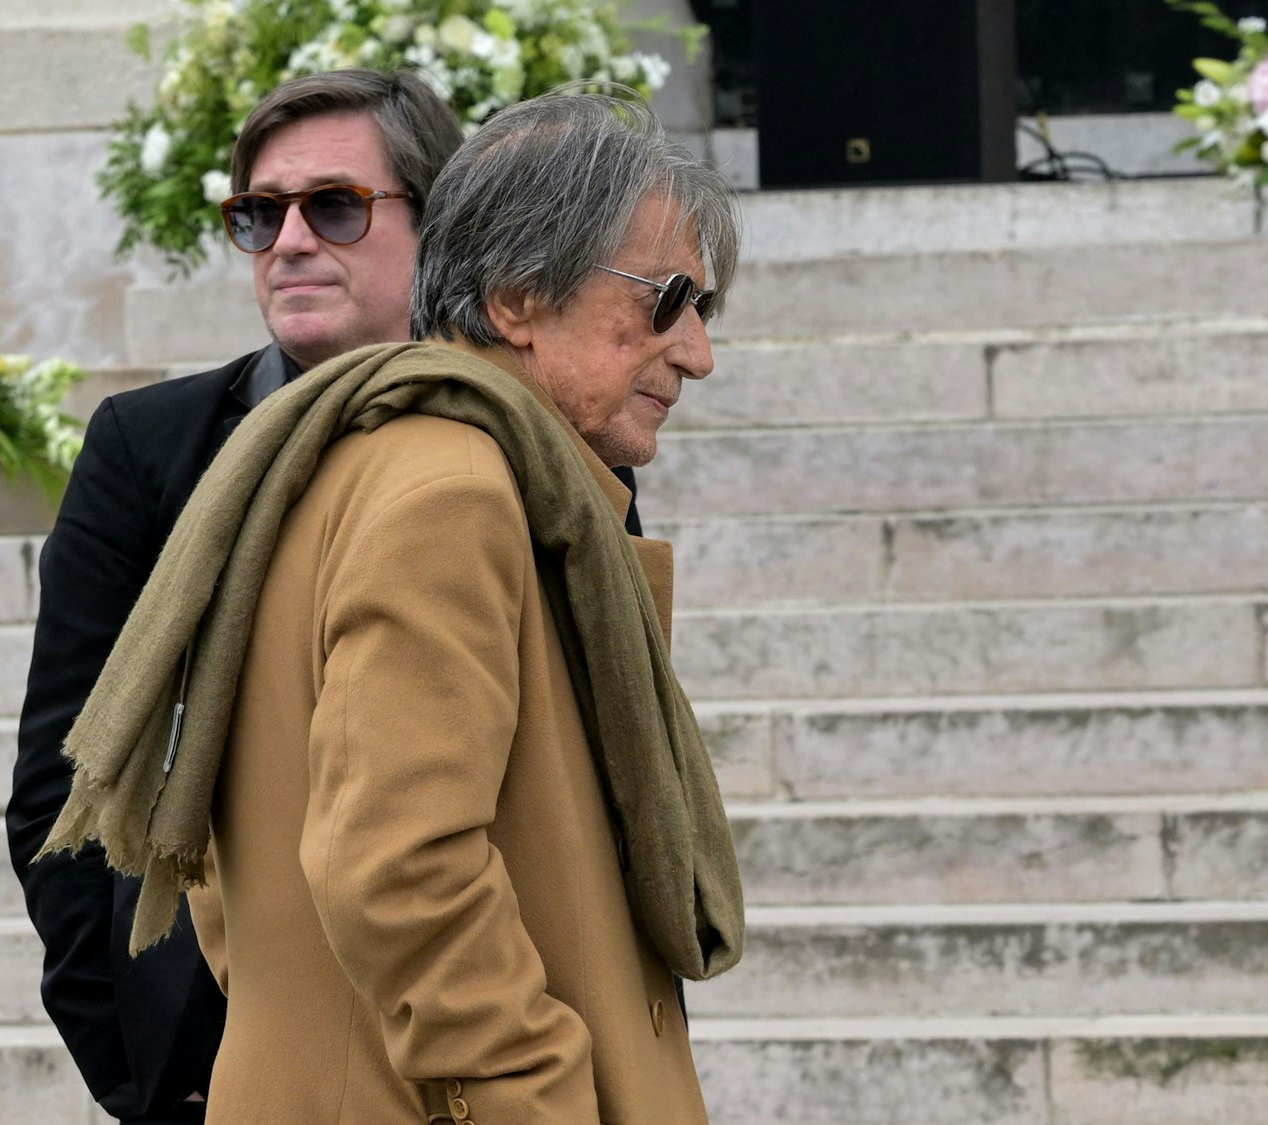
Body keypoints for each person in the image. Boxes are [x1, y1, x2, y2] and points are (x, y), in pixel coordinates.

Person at [38, 91, 746, 1124]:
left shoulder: (356, 456)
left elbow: (229, 872)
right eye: (665, 299)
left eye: (702, 310)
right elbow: (395, 861)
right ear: (514, 296)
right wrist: (527, 1090)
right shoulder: (451, 491)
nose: (694, 350)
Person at [4, 69, 464, 1123]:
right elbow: (63, 788)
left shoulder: (529, 442)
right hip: (225, 1053)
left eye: (335, 207)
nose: (291, 240)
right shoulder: (147, 449)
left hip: (469, 1032)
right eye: (259, 214)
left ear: (435, 223)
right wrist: (141, 1073)